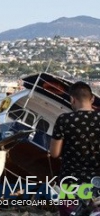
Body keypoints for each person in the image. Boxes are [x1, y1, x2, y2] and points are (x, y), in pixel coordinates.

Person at [50, 81, 100, 216]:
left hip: (71, 183)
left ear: (72, 99)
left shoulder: (64, 120)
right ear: (92, 99)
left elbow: (54, 153)